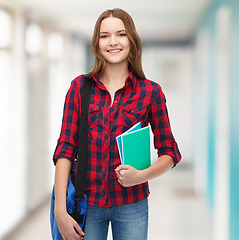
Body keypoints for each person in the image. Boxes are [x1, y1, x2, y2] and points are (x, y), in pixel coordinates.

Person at [53, 8, 181, 240]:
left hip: (132, 204)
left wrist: (141, 176)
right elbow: (64, 149)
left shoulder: (150, 92)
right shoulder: (79, 88)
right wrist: (60, 209)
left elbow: (170, 153)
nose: (113, 42)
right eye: (104, 36)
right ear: (96, 42)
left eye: (121, 34)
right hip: (86, 204)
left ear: (131, 39)